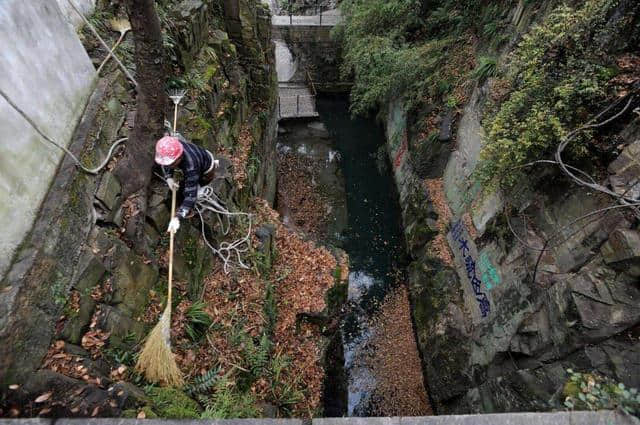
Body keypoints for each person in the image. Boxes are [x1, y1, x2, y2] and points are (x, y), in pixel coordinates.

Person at [154, 135, 219, 233]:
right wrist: (169, 178)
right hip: (199, 155)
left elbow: (190, 196)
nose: (169, 166)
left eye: (171, 164)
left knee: (189, 191)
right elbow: (166, 164)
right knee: (184, 186)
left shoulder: (191, 167)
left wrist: (178, 217)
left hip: (206, 169)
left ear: (179, 158)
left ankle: (189, 209)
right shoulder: (174, 145)